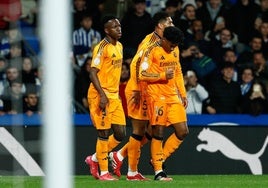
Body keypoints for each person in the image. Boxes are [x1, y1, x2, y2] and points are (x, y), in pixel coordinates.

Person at [109, 11, 174, 181]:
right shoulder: (150, 43)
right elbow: (135, 65)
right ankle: (131, 172)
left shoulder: (163, 42)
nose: (172, 25)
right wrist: (138, 89)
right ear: (160, 26)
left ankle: (120, 156)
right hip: (139, 89)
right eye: (169, 22)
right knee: (139, 132)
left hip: (149, 90)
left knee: (150, 133)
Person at [138, 26, 188, 180]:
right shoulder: (151, 50)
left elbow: (178, 70)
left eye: (175, 45)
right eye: (171, 44)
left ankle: (158, 159)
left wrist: (183, 93)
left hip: (172, 96)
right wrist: (162, 75)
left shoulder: (175, 49)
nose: (173, 48)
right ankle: (159, 172)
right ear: (164, 40)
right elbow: (142, 74)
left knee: (183, 131)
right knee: (158, 132)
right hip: (156, 96)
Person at [84, 15, 126, 181]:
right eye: (115, 27)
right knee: (103, 133)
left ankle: (94, 159)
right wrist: (102, 95)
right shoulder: (101, 47)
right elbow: (92, 72)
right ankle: (103, 172)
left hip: (114, 96)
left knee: (120, 133)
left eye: (119, 26)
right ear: (107, 30)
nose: (119, 29)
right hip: (99, 94)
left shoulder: (120, 46)